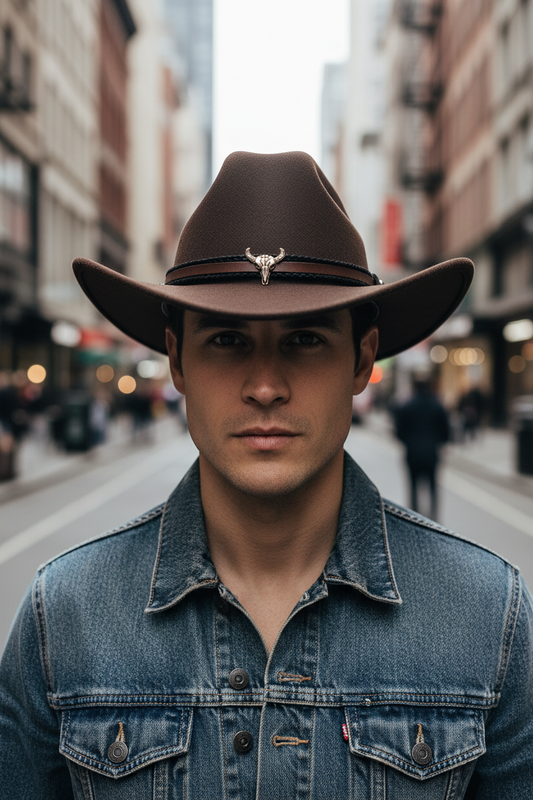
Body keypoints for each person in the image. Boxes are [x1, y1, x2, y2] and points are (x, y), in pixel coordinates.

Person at [0, 151, 531, 798]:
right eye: (227, 339)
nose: (264, 386)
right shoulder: (65, 614)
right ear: (176, 361)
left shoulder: (486, 614)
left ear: (361, 360)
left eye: (304, 339)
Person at [394, 374, 450, 519]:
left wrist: (409, 442)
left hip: (412, 453)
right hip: (432, 453)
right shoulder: (437, 406)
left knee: (413, 487)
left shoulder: (407, 406)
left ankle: (414, 517)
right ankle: (434, 518)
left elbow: (399, 432)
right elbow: (446, 432)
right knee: (432, 486)